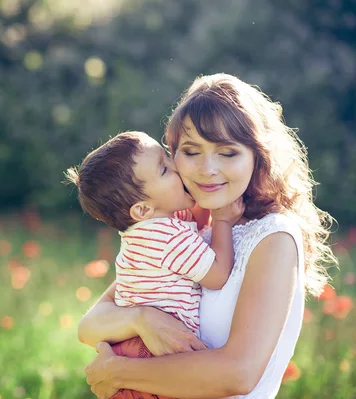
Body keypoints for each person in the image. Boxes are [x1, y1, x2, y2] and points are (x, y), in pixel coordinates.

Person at [78, 73, 337, 399]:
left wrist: (119, 372)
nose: (207, 169)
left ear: (257, 156)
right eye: (191, 151)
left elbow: (239, 374)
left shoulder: (274, 238)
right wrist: (142, 318)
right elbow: (89, 326)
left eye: (227, 153)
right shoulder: (183, 225)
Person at [66, 131, 244, 398]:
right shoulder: (166, 236)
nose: (176, 165)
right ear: (142, 210)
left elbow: (192, 218)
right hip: (152, 355)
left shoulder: (145, 231)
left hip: (132, 351)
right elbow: (217, 274)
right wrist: (223, 221)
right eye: (164, 169)